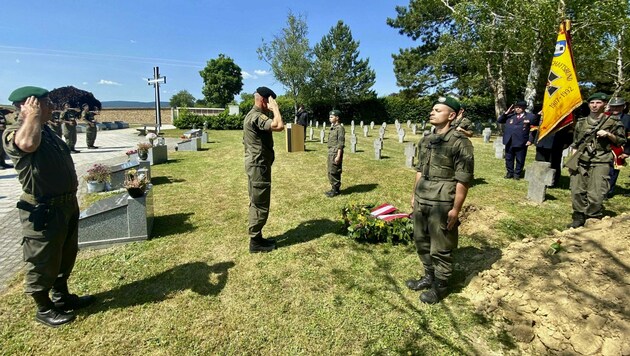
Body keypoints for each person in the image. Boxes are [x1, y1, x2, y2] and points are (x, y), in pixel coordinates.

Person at [2, 86, 94, 327]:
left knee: (65, 254)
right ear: (27, 105)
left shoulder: (46, 130)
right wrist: (31, 116)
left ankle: (61, 297)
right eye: (45, 103)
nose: (51, 107)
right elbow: (28, 145)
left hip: (65, 204)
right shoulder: (15, 132)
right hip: (43, 209)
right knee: (42, 259)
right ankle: (43, 308)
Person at [405, 96, 474, 304]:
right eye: (432, 109)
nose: (432, 112)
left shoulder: (460, 143)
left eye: (438, 110)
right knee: (421, 240)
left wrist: (456, 209)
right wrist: (414, 194)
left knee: (440, 246)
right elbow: (420, 170)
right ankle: (429, 276)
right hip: (423, 196)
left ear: (451, 116)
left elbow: (463, 179)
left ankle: (441, 285)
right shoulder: (426, 140)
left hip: (443, 200)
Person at [567, 92, 626, 228]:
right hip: (581, 160)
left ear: (604, 104)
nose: (594, 105)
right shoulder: (581, 122)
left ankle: (592, 217)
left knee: (597, 192)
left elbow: (621, 141)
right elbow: (576, 143)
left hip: (601, 160)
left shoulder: (613, 122)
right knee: (576, 190)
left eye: (598, 102)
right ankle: (578, 216)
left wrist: (608, 134)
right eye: (592, 103)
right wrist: (572, 160)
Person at [243, 86, 284, 253]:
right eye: (271, 101)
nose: (272, 105)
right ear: (264, 100)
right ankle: (255, 242)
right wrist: (276, 109)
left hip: (256, 164)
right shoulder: (257, 116)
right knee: (260, 203)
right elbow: (279, 125)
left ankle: (258, 237)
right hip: (258, 166)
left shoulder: (251, 115)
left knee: (256, 200)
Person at [497, 101, 537, 179]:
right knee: (508, 158)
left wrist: (530, 140)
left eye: (519, 107)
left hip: (521, 141)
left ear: (524, 108)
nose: (517, 109)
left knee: (520, 158)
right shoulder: (510, 116)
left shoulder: (530, 116)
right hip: (509, 140)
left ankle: (517, 174)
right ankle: (509, 172)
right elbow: (500, 120)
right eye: (516, 107)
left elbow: (534, 129)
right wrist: (506, 113)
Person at [606, 97, 630, 198]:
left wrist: (627, 152)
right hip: (603, 148)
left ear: (623, 107)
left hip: (618, 149)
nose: (615, 109)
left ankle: (608, 192)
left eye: (618, 106)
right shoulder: (605, 117)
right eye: (613, 106)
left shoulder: (628, 119)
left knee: (613, 171)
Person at [325, 110, 345, 197]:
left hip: (335, 152)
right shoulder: (333, 127)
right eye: (329, 117)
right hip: (331, 151)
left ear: (337, 118)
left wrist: (338, 156)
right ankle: (333, 188)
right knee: (330, 171)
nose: (330, 118)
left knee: (334, 171)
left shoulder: (340, 128)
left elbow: (340, 143)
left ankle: (336, 190)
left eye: (332, 117)